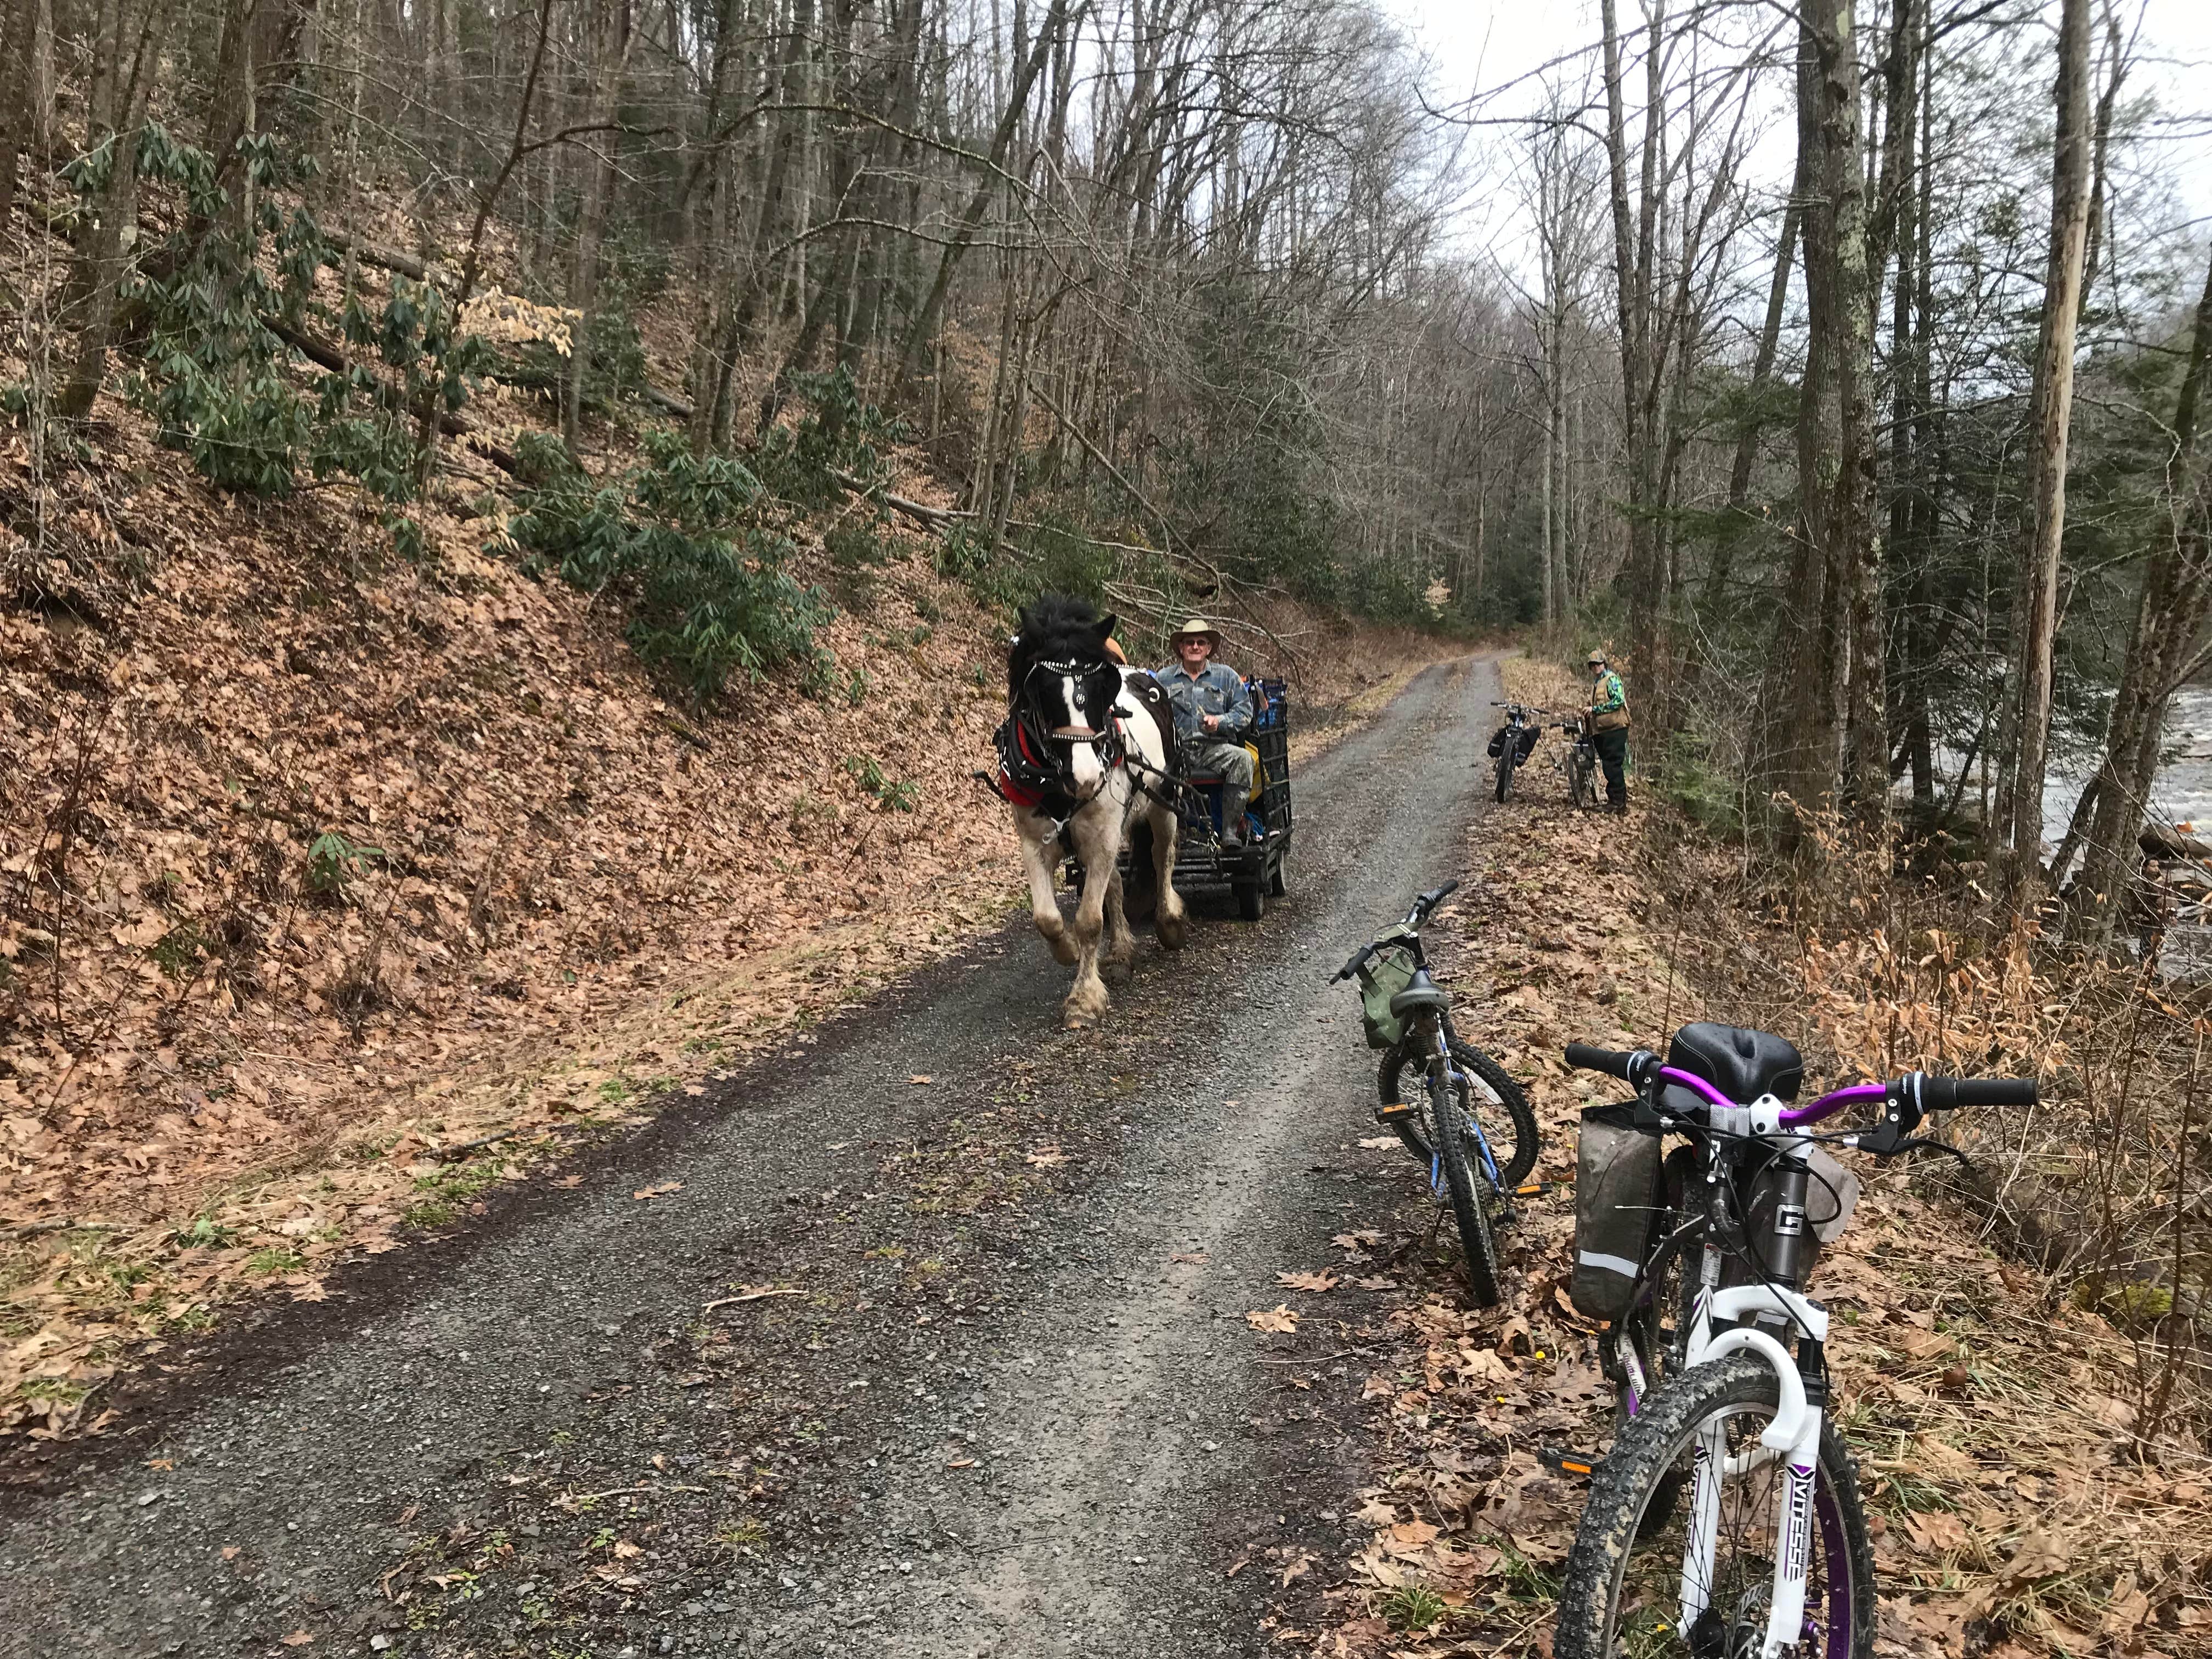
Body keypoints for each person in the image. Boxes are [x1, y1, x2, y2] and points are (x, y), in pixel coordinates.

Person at [1157, 618, 1255, 844]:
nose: (1195, 647)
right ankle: (1168, 833)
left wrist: (1220, 722)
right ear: (1181, 648)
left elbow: (1245, 713)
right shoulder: (1163, 679)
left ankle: (1229, 830)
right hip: (1175, 753)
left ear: (1209, 648)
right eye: (1189, 642)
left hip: (1215, 749)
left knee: (1244, 759)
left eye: (1201, 642)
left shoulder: (1226, 677)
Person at [1585, 650, 1629, 813]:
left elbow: (1619, 701)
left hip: (1616, 729)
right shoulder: (1598, 682)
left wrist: (1596, 709)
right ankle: (1616, 799)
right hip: (1606, 730)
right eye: (1593, 665)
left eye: (1599, 664)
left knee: (1612, 765)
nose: (1596, 667)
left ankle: (1618, 802)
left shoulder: (1611, 680)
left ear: (1604, 664)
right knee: (1609, 765)